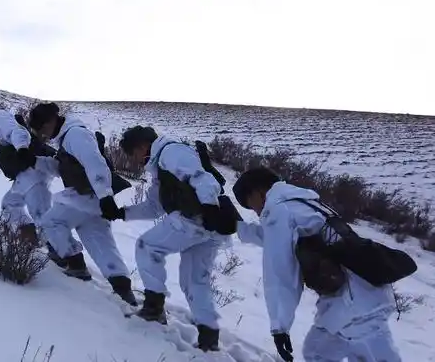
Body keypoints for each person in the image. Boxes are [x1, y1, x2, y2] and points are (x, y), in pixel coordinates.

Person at [233, 167, 403, 362]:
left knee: (320, 354)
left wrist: (279, 327)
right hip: (367, 294)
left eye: (250, 204)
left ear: (258, 192)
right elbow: (279, 239)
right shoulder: (302, 202)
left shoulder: (278, 209)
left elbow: (280, 269)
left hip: (351, 305)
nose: (255, 211)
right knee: (322, 353)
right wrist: (240, 229)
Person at [110, 125, 240, 352]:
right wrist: (123, 213)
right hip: (209, 226)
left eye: (132, 154)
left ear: (142, 146)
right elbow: (155, 207)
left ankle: (153, 308)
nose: (133, 160)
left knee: (146, 246)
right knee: (193, 281)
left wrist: (208, 208)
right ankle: (209, 339)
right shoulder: (161, 165)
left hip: (196, 220)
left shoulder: (171, 152)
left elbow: (204, 179)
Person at [26, 102, 138, 310]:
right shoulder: (67, 138)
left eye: (42, 128)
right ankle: (124, 290)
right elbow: (62, 168)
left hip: (87, 195)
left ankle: (75, 264)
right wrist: (34, 161)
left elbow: (95, 163)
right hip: (92, 199)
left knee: (51, 222)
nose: (43, 134)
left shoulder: (75, 135)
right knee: (101, 243)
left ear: (50, 121)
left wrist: (105, 195)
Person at [0, 102, 58, 244]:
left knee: (39, 211)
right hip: (29, 171)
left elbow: (17, 132)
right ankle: (30, 236)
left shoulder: (1, 121)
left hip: (33, 169)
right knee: (11, 204)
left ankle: (65, 253)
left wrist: (22, 149)